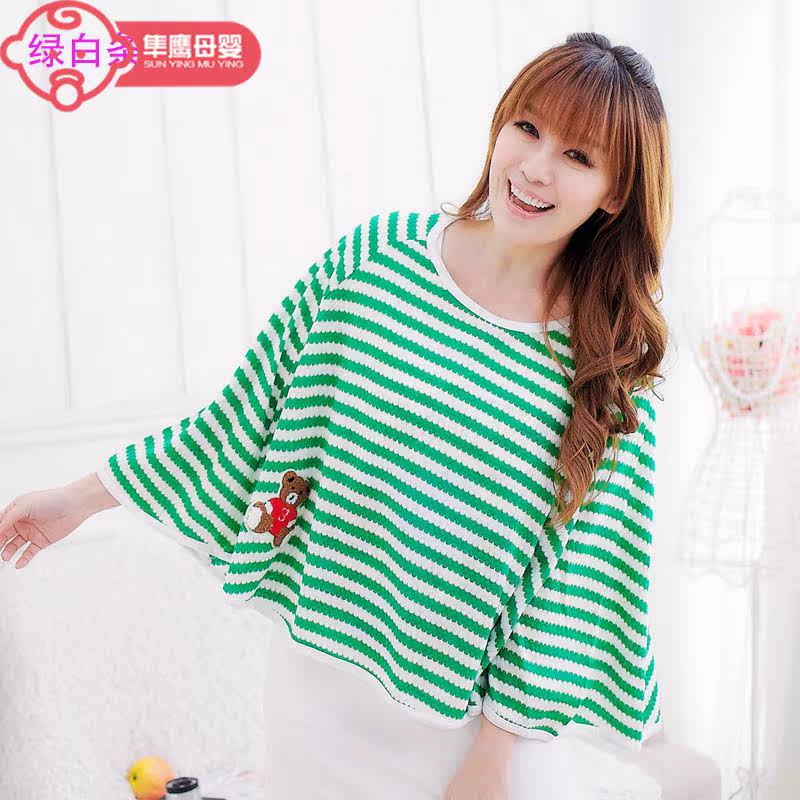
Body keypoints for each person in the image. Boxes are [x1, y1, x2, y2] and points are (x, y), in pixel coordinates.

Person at [0, 31, 671, 800]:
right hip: (311, 700)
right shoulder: (376, 262)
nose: (536, 167)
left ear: (614, 193)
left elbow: (578, 582)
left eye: (578, 156)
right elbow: (243, 418)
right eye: (528, 127)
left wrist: (496, 758)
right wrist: (78, 500)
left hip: (470, 742)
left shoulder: (609, 367)